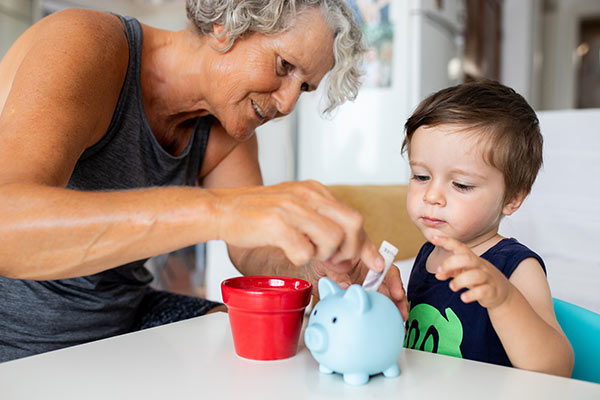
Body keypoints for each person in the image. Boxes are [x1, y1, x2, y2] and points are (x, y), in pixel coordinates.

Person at [0, 0, 407, 362]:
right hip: (16, 334)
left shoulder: (226, 128)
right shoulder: (86, 43)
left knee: (265, 348)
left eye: (303, 87)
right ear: (225, 24)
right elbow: (7, 227)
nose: (286, 103)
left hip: (124, 313)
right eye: (284, 66)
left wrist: (311, 265)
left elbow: (252, 250)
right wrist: (221, 211)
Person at [401, 80, 574, 377]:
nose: (431, 196)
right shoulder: (429, 253)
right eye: (421, 176)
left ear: (512, 198)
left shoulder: (515, 266)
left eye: (461, 184)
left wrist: (504, 299)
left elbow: (557, 367)